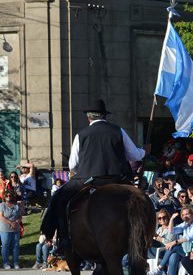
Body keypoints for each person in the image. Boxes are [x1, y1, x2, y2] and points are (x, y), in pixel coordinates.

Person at [41, 99, 147, 247]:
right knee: (142, 200)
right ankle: (145, 235)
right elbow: (135, 156)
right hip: (117, 179)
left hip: (89, 179)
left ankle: (61, 237)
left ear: (88, 117)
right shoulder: (118, 131)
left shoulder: (81, 135)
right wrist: (144, 150)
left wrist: (84, 168)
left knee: (58, 197)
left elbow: (72, 165)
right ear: (104, 116)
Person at [160, 206, 193, 275]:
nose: (185, 216)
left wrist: (174, 242)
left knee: (174, 247)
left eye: (187, 214)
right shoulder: (184, 224)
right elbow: (171, 231)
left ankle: (160, 267)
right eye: (183, 214)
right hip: (185, 250)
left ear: (192, 214)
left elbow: (190, 237)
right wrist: (171, 219)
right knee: (174, 255)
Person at [146, 208, 177, 275]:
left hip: (166, 251)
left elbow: (169, 242)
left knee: (145, 249)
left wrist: (157, 237)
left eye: (164, 217)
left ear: (168, 218)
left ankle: (160, 269)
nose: (161, 219)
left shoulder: (171, 228)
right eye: (159, 218)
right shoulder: (159, 229)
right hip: (156, 250)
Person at [0, 189, 22, 269]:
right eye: (7, 195)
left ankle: (16, 262)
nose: (8, 197)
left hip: (16, 229)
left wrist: (17, 222)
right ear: (4, 197)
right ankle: (6, 262)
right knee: (5, 245)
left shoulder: (16, 206)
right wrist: (10, 222)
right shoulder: (2, 205)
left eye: (10, 195)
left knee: (16, 246)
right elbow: (0, 216)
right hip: (5, 229)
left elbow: (20, 216)